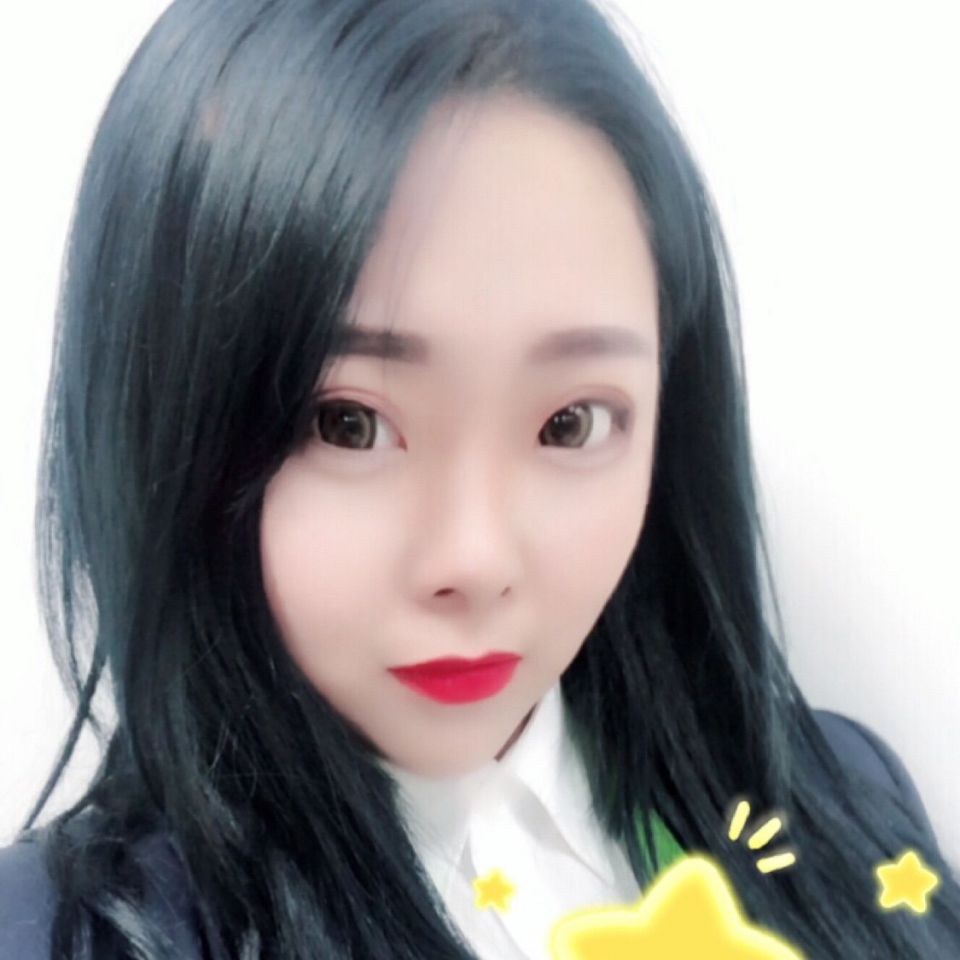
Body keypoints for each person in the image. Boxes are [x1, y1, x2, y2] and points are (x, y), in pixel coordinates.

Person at [1, 0, 958, 957]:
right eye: (347, 424)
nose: (476, 559)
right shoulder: (54, 934)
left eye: (571, 423)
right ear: (164, 420)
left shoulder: (840, 802)